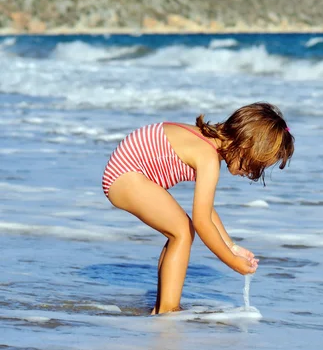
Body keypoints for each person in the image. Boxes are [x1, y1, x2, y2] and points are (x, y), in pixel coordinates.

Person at [101, 102, 294, 315]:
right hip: (126, 174)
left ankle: (162, 308)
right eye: (254, 166)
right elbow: (202, 221)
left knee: (180, 231)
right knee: (182, 231)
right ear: (245, 145)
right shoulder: (208, 157)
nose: (250, 173)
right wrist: (232, 263)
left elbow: (207, 210)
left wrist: (231, 246)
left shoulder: (205, 141)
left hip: (127, 171)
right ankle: (168, 310)